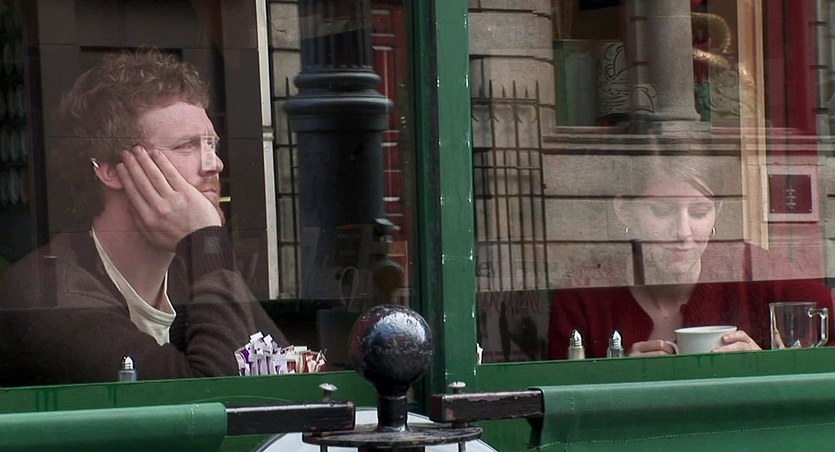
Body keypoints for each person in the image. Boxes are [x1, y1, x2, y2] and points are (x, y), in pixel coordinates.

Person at [0, 49, 287, 386]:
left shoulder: (188, 266)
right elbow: (217, 393)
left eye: (212, 145)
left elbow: (284, 369)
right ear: (110, 169)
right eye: (186, 146)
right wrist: (206, 240)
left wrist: (205, 247)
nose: (215, 164)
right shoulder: (51, 294)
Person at [548, 151, 833, 359]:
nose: (682, 232)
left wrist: (765, 367)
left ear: (716, 213)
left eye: (699, 212)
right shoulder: (585, 293)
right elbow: (557, 399)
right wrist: (618, 379)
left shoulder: (758, 271)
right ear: (625, 210)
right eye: (662, 211)